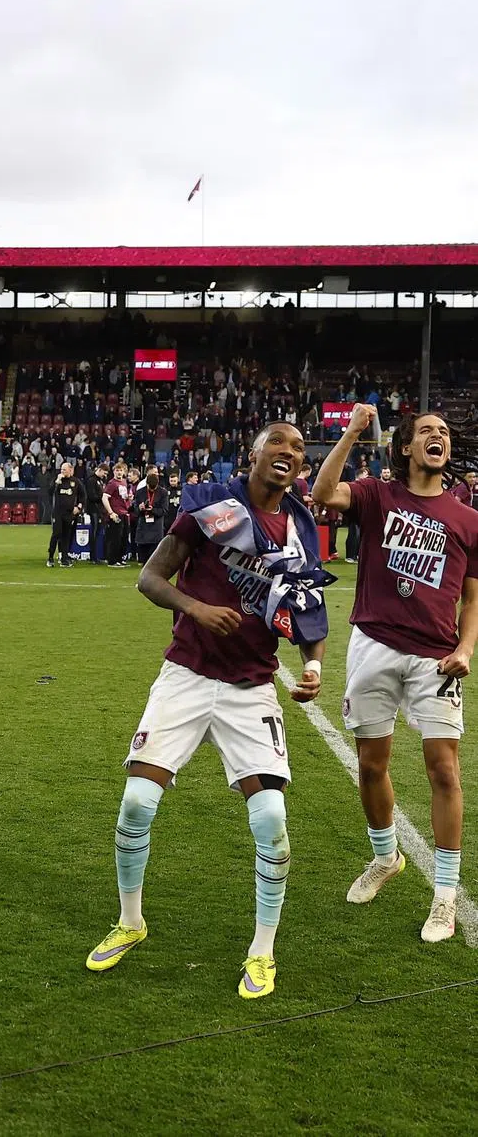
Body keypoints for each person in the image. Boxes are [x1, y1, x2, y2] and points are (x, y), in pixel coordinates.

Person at [86, 421, 331, 999]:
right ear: (253, 453)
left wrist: (314, 666)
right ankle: (130, 922)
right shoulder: (214, 506)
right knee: (136, 803)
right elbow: (150, 578)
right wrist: (195, 607)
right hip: (186, 676)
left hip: (252, 687)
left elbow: (309, 609)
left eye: (298, 448)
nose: (290, 454)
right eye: (279, 443)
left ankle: (262, 952)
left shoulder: (300, 525)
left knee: (271, 821)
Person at [313, 404, 478, 943]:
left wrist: (467, 648)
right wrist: (353, 431)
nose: (439, 437)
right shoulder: (376, 494)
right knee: (370, 763)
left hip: (436, 655)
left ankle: (446, 896)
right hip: (374, 645)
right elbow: (320, 495)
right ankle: (387, 857)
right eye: (428, 431)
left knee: (444, 771)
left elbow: (473, 601)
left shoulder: (468, 520)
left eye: (445, 433)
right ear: (405, 448)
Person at [46, 461, 85, 567]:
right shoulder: (57, 481)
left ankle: (64, 559)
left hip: (69, 513)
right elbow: (50, 492)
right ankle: (50, 557)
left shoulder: (75, 482)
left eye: (64, 469)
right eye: (61, 469)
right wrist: (57, 482)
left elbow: (83, 495)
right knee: (56, 534)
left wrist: (79, 506)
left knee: (67, 536)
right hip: (58, 513)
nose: (62, 471)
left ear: (70, 470)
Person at [133, 467, 167, 564]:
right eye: (150, 488)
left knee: (155, 558)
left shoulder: (163, 492)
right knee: (144, 558)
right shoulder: (140, 492)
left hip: (156, 527)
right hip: (143, 526)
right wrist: (140, 508)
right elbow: (135, 511)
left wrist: (153, 510)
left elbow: (164, 510)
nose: (152, 490)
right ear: (146, 483)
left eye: (154, 488)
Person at [102, 462, 133, 567]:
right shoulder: (112, 483)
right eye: (117, 470)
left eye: (121, 470)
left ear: (124, 472)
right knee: (115, 538)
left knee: (123, 537)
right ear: (113, 471)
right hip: (116, 513)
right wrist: (111, 512)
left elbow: (123, 498)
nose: (119, 472)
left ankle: (120, 559)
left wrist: (129, 500)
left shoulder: (124, 482)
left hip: (124, 513)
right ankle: (112, 560)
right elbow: (105, 497)